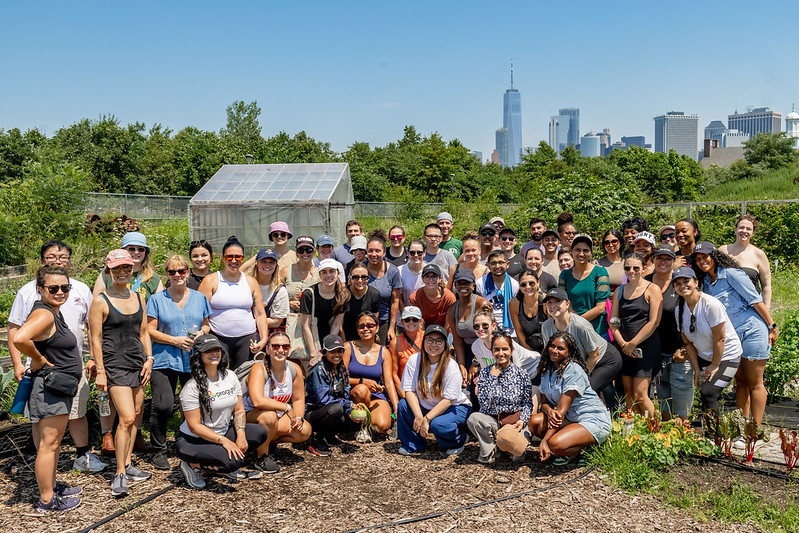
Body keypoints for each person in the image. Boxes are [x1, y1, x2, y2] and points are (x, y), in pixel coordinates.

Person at [7, 240, 105, 475]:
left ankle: (81, 456)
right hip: (44, 369)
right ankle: (45, 471)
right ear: (42, 261)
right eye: (52, 256)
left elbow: (92, 326)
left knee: (77, 412)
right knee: (41, 421)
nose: (58, 260)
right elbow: (15, 330)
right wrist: (20, 362)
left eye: (63, 257)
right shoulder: (29, 291)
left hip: (73, 365)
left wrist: (92, 357)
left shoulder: (79, 288)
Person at [13, 265, 84, 512]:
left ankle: (52, 486)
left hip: (56, 388)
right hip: (50, 389)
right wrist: (38, 358)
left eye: (65, 287)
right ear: (40, 289)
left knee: (50, 443)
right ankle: (47, 500)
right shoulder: (44, 314)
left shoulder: (52, 310)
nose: (60, 292)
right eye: (53, 288)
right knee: (50, 444)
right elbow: (20, 338)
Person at [690, 242, 777, 427]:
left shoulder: (732, 274)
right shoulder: (705, 281)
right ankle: (742, 426)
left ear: (714, 256)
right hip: (732, 337)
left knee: (755, 382)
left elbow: (755, 301)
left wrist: (771, 325)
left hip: (752, 331)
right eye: (697, 259)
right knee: (740, 381)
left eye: (705, 256)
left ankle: (755, 429)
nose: (702, 261)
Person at [90, 249, 153, 497]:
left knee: (136, 416)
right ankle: (119, 473)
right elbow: (94, 339)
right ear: (109, 271)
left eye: (126, 268)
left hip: (137, 363)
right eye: (117, 269)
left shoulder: (138, 297)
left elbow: (144, 332)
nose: (123, 272)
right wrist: (102, 371)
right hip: (114, 366)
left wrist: (149, 359)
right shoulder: (100, 301)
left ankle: (128, 462)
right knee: (125, 418)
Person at [175, 334, 269, 489]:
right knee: (234, 462)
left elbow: (239, 409)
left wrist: (240, 435)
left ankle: (218, 460)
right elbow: (194, 426)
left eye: (217, 349)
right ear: (199, 356)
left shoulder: (230, 376)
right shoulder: (192, 387)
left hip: (222, 432)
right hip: (193, 441)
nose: (214, 353)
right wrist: (225, 441)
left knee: (260, 433)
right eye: (208, 351)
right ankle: (192, 465)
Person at [146, 254, 213, 469]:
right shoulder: (157, 300)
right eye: (172, 272)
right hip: (164, 358)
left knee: (192, 404)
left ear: (187, 272)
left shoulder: (199, 298)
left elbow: (206, 324)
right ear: (166, 274)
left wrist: (201, 332)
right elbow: (149, 330)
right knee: (163, 405)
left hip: (192, 359)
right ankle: (159, 448)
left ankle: (188, 442)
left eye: (181, 271)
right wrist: (174, 340)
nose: (177, 275)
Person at [529, 332, 612, 465]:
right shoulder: (547, 370)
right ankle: (572, 447)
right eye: (552, 346)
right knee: (534, 422)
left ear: (570, 352)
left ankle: (589, 448)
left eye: (560, 348)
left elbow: (560, 412)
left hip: (591, 419)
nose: (554, 350)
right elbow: (544, 403)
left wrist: (544, 441)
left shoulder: (574, 371)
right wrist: (549, 411)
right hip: (571, 418)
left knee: (554, 443)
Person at [672, 266, 742, 418]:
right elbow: (688, 343)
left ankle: (714, 436)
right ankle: (706, 432)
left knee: (709, 393)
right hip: (705, 356)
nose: (682, 286)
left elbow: (720, 338)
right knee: (703, 391)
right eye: (678, 284)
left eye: (686, 281)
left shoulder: (711, 304)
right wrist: (696, 369)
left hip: (727, 356)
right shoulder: (679, 310)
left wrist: (715, 365)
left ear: (696, 283)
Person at [397, 325, 472, 456]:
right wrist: (418, 415)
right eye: (430, 340)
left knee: (438, 424)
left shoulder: (451, 366)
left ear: (445, 344)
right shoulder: (414, 360)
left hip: (455, 407)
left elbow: (449, 400)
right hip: (426, 405)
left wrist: (426, 419)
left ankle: (458, 440)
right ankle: (413, 444)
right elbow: (409, 390)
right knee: (403, 405)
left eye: (439, 341)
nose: (434, 344)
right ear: (423, 342)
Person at [243, 330, 311, 472]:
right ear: (267, 349)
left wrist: (298, 417)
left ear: (289, 349)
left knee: (304, 430)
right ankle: (261, 456)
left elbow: (298, 399)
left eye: (285, 347)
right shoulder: (259, 368)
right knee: (269, 416)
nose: (280, 350)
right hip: (249, 417)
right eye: (275, 346)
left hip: (275, 417)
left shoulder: (294, 369)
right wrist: (286, 407)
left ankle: (266, 442)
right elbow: (257, 401)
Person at [540, 288, 623, 405]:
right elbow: (549, 354)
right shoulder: (546, 326)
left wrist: (579, 379)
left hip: (605, 359)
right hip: (583, 362)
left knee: (583, 392)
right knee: (601, 389)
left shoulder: (580, 325)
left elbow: (594, 355)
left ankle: (615, 417)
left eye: (557, 301)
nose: (553, 305)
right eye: (549, 302)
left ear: (567, 304)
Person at [199, 236, 268, 370]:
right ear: (223, 258)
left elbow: (260, 313)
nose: (234, 260)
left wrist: (263, 338)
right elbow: (201, 312)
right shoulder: (211, 280)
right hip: (218, 336)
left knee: (244, 376)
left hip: (246, 338)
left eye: (238, 257)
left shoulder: (251, 282)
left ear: (243, 258)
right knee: (217, 375)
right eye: (230, 257)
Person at [608, 253, 662, 416]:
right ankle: (635, 430)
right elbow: (613, 321)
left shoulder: (652, 289)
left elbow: (654, 322)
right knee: (628, 394)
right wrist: (623, 344)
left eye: (636, 268)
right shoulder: (620, 290)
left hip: (645, 347)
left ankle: (655, 431)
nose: (631, 271)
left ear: (644, 269)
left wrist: (633, 343)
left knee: (641, 394)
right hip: (624, 347)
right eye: (627, 268)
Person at [467, 333, 533, 464]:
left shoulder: (521, 374)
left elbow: (527, 403)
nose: (500, 353)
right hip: (494, 421)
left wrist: (522, 420)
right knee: (474, 418)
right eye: (496, 349)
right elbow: (484, 405)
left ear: (511, 350)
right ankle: (491, 450)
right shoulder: (485, 373)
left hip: (514, 422)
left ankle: (510, 444)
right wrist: (492, 378)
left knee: (517, 458)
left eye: (505, 349)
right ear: (491, 352)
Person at [646, 245, 693, 422]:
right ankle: (667, 430)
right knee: (662, 390)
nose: (663, 262)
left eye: (667, 259)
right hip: (654, 349)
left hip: (678, 349)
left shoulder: (679, 284)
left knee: (682, 388)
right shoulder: (645, 282)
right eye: (659, 258)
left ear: (674, 262)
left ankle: (684, 430)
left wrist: (687, 348)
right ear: (653, 260)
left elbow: (693, 316)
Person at [344, 312, 399, 440]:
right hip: (355, 394)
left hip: (376, 395)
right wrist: (362, 381)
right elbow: (341, 379)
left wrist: (397, 409)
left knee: (382, 426)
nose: (366, 329)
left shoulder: (383, 352)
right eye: (361, 326)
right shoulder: (348, 347)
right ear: (357, 329)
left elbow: (388, 382)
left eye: (370, 325)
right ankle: (361, 427)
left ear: (377, 328)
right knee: (362, 389)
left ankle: (369, 421)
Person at [305, 334, 359, 456]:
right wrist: (348, 404)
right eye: (332, 351)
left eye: (340, 351)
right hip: (313, 413)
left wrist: (350, 410)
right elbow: (322, 400)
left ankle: (329, 436)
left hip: (332, 410)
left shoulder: (343, 370)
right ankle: (316, 440)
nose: (337, 355)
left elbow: (345, 396)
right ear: (324, 352)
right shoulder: (319, 369)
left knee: (358, 419)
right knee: (336, 408)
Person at [299, 259, 350, 367]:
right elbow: (305, 326)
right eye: (324, 272)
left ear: (338, 273)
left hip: (328, 338)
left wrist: (327, 349)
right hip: (309, 339)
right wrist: (313, 354)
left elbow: (336, 324)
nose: (328, 275)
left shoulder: (343, 296)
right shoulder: (309, 294)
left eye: (332, 271)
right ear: (320, 275)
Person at [559, 234, 611, 338]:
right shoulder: (564, 275)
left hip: (596, 331)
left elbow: (600, 307)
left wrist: (576, 322)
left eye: (585, 250)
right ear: (571, 251)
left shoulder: (600, 273)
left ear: (591, 252)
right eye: (577, 250)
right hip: (572, 332)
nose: (581, 254)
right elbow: (562, 302)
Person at [719, 214, 772, 307]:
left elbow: (766, 286)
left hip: (751, 307)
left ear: (753, 233)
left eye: (748, 229)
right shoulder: (723, 251)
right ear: (735, 230)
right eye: (741, 227)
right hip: (725, 306)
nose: (744, 231)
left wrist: (766, 309)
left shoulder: (759, 254)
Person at [93, 231, 164, 301]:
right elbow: (96, 300)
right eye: (131, 249)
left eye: (141, 249)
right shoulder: (108, 273)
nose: (136, 252)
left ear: (145, 253)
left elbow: (160, 306)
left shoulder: (153, 279)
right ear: (123, 251)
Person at [447, 269, 490, 381]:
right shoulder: (452, 310)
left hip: (486, 349)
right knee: (464, 380)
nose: (463, 286)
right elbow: (457, 340)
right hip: (466, 351)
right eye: (459, 283)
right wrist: (461, 366)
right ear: (455, 285)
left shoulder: (482, 304)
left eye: (467, 283)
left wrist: (475, 362)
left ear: (473, 285)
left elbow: (488, 334)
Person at [365, 233, 402, 345]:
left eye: (378, 251)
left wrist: (391, 327)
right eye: (370, 250)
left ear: (384, 252)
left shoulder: (392, 272)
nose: (374, 254)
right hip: (361, 322)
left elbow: (395, 301)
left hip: (383, 322)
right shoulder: (360, 270)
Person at [476, 250, 519, 334]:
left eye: (501, 262)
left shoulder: (515, 285)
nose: (497, 266)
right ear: (488, 265)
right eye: (493, 263)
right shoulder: (480, 284)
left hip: (510, 329)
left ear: (508, 264)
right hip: (487, 329)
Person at [389, 306, 425, 399]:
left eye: (415, 319)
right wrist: (405, 396)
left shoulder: (427, 338)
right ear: (402, 322)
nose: (411, 322)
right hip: (406, 389)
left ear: (420, 321)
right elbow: (394, 374)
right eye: (407, 319)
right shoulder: (395, 343)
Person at [252, 249, 289, 336]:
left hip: (270, 335)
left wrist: (246, 322)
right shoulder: (247, 284)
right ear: (257, 263)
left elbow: (276, 322)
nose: (267, 265)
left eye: (271, 262)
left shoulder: (280, 290)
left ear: (276, 265)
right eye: (263, 262)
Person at [510, 269, 548, 353]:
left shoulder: (546, 301)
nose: (528, 287)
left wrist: (545, 353)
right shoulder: (514, 303)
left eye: (531, 283)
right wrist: (530, 352)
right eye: (523, 284)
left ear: (538, 283)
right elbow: (518, 330)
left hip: (547, 346)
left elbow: (551, 330)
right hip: (526, 348)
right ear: (519, 286)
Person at [280, 235, 320, 313]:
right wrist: (288, 303)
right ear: (296, 253)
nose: (305, 253)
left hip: (312, 317)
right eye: (301, 250)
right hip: (289, 318)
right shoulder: (286, 271)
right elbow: (275, 295)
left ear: (314, 252)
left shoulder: (320, 274)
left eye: (309, 250)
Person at [342, 263, 380, 342]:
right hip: (346, 337)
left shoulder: (374, 294)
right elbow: (339, 325)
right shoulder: (343, 294)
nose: (360, 280)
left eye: (364, 277)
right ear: (350, 278)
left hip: (366, 337)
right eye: (355, 277)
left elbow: (374, 322)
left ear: (368, 278)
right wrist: (345, 345)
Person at [410, 264, 456, 328]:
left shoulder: (449, 298)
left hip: (443, 331)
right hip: (424, 331)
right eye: (427, 276)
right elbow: (419, 322)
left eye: (434, 276)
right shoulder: (415, 297)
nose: (431, 280)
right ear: (422, 279)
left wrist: (443, 337)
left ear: (440, 278)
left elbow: (448, 324)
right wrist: (424, 337)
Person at [399, 239, 426, 310]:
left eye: (419, 253)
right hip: (405, 313)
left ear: (424, 253)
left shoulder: (430, 270)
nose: (416, 255)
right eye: (412, 253)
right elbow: (398, 297)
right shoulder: (400, 271)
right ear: (408, 253)